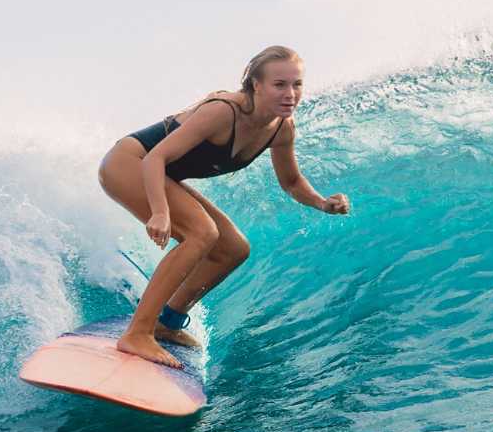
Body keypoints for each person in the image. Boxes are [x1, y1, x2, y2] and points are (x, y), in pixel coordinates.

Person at [97, 45, 350, 368]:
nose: (290, 94)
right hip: (130, 163)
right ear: (256, 85)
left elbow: (291, 182)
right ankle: (137, 333)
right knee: (202, 233)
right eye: (280, 85)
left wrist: (322, 203)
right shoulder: (223, 112)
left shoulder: (281, 129)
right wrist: (160, 212)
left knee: (233, 248)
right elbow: (155, 158)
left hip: (159, 172)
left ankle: (167, 321)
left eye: (296, 84)